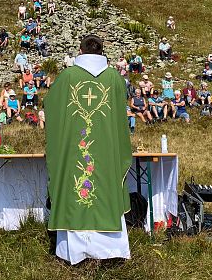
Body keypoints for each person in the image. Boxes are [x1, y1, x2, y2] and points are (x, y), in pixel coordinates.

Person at [44, 34, 132, 264]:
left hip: (74, 148)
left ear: (80, 51)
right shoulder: (114, 78)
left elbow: (50, 104)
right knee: (107, 185)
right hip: (108, 151)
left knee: (75, 183)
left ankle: (75, 253)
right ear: (102, 51)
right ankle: (110, 252)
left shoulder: (68, 76)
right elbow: (121, 117)